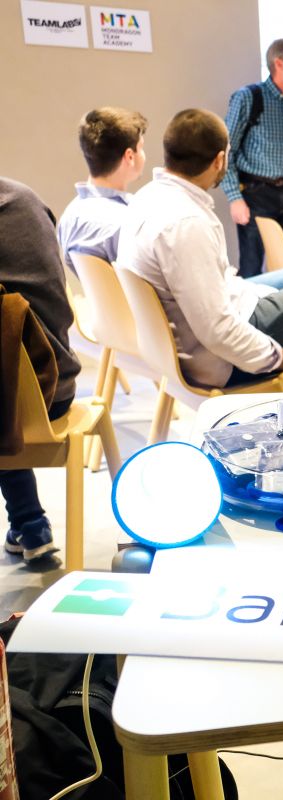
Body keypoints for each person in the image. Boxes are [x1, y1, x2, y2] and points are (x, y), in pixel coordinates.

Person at [118, 109, 283, 389]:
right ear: (219, 160)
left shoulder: (146, 198)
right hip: (218, 358)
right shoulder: (187, 224)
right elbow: (217, 330)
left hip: (199, 334)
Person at [0, 178, 82, 562]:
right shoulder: (24, 196)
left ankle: (29, 521)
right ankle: (29, 522)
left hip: (22, 398)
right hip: (55, 384)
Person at [220, 38, 283, 277]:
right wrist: (235, 197)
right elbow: (227, 151)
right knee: (252, 266)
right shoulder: (248, 98)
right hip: (257, 195)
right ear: (279, 64)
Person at [57, 107, 147, 273]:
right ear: (129, 156)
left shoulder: (69, 218)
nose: (143, 154)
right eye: (141, 148)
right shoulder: (128, 224)